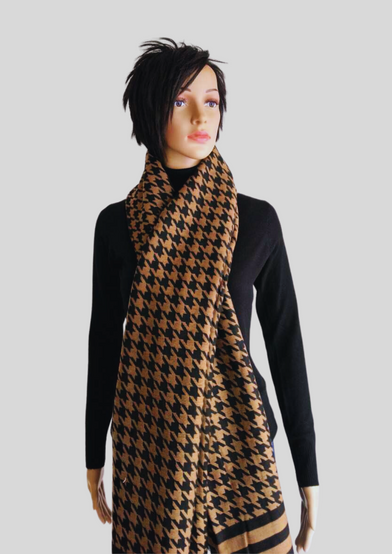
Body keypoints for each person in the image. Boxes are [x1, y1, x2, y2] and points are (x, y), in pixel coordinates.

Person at [85, 37, 319, 554]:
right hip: (149, 451)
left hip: (243, 447)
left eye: (211, 101)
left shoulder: (256, 220)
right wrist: (93, 453)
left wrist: (309, 470)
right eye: (180, 100)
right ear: (151, 111)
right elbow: (104, 344)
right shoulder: (116, 225)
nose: (201, 116)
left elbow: (286, 345)